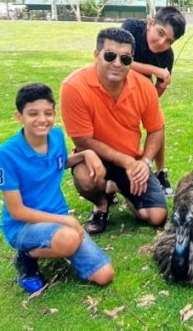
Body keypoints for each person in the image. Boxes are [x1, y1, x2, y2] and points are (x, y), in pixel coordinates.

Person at [0, 83, 114, 294]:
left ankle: (58, 243)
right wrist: (66, 220)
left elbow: (58, 162)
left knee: (104, 275)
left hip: (57, 219)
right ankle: (26, 258)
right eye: (33, 114)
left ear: (54, 114)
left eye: (47, 113)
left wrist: (86, 154)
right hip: (22, 226)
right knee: (68, 238)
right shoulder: (6, 155)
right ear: (19, 116)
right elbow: (16, 211)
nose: (42, 120)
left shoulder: (56, 136)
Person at [60, 27, 168, 235]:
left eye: (125, 59)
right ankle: (101, 205)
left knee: (156, 216)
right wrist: (127, 162)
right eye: (110, 56)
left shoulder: (144, 87)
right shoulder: (74, 86)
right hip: (95, 157)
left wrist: (144, 163)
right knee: (86, 178)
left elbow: (156, 129)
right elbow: (83, 140)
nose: (117, 64)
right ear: (96, 55)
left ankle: (117, 187)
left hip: (131, 158)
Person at [122, 6, 186, 197]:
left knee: (157, 123)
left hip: (139, 90)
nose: (161, 43)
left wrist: (162, 86)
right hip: (114, 84)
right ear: (150, 23)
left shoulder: (167, 56)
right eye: (160, 33)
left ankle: (160, 172)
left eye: (169, 41)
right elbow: (120, 61)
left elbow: (153, 97)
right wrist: (156, 70)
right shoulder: (132, 28)